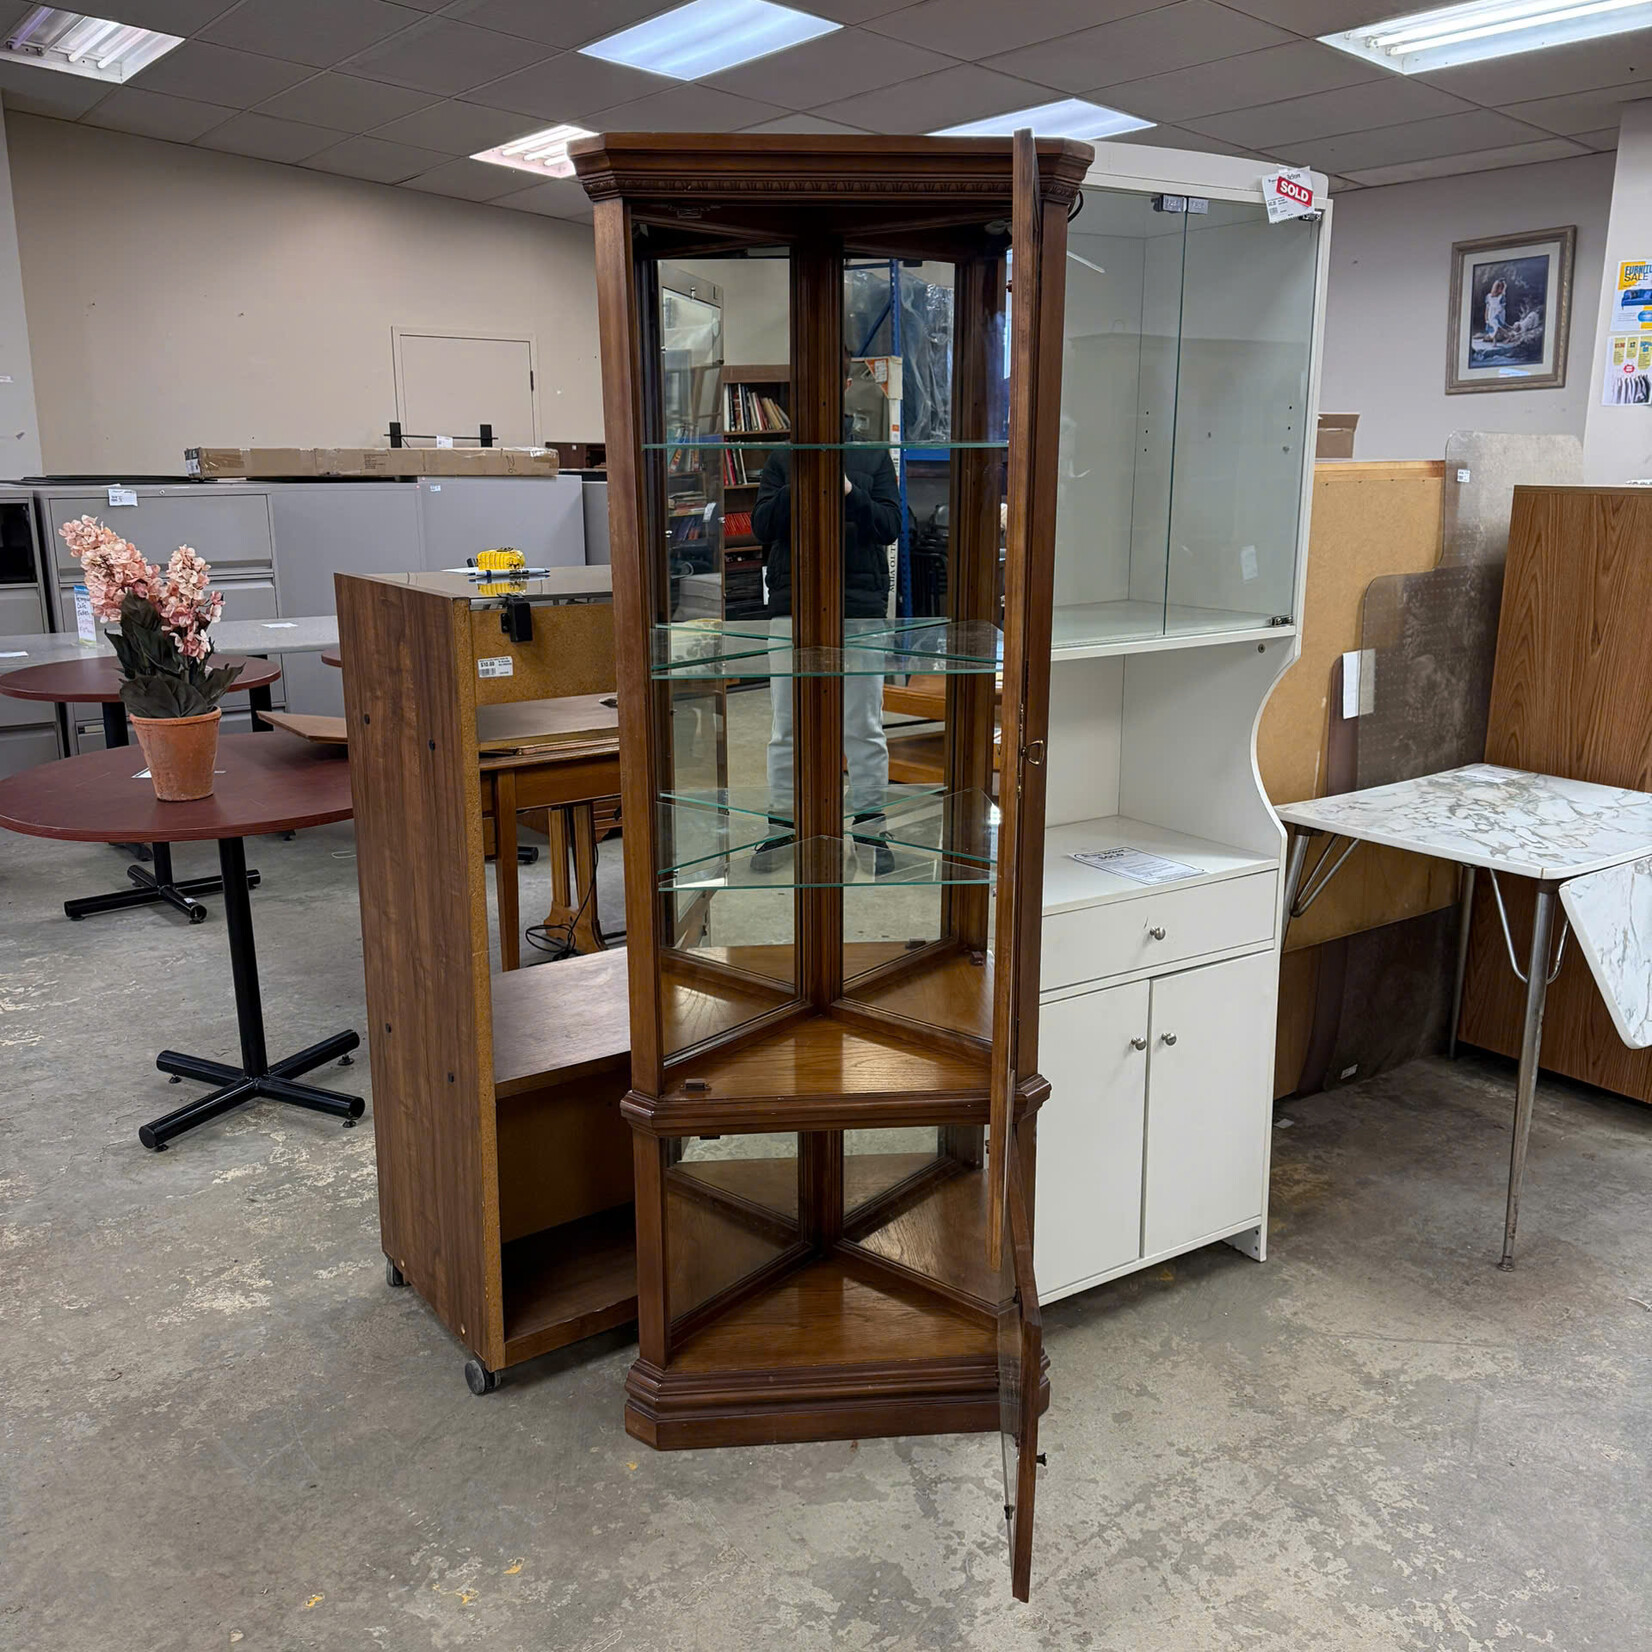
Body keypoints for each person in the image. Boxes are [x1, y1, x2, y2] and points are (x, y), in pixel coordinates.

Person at [748, 394, 902, 875]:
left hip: (858, 609)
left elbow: (891, 526)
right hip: (793, 608)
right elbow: (762, 526)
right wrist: (803, 482)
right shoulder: (781, 460)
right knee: (786, 727)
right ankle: (783, 826)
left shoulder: (874, 456)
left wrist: (849, 489)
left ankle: (871, 831)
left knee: (863, 727)